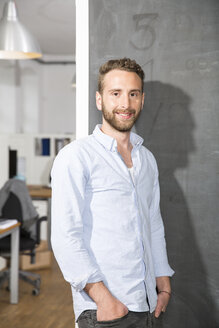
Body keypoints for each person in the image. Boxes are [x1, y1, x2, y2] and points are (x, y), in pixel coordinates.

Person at [51, 58, 174, 328]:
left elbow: (153, 223)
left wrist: (163, 279)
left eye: (133, 94)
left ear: (142, 99)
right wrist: (104, 299)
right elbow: (64, 236)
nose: (125, 104)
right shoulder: (76, 156)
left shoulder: (147, 159)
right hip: (104, 309)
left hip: (148, 304)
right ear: (99, 100)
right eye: (115, 93)